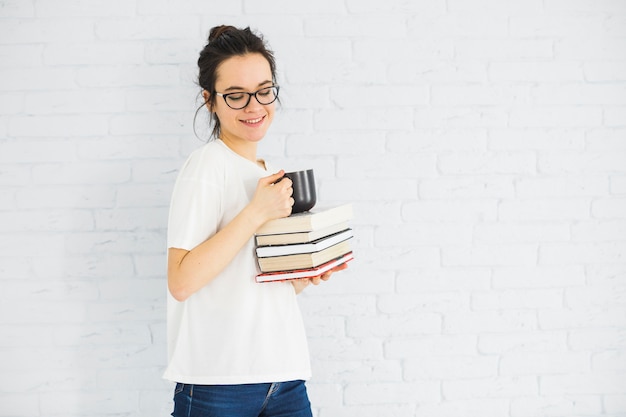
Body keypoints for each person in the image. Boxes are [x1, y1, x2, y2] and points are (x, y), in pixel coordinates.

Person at [164, 25, 347, 417]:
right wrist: (255, 212)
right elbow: (181, 281)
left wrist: (299, 278)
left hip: (284, 375)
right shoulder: (207, 166)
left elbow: (247, 283)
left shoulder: (269, 172)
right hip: (218, 383)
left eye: (264, 91)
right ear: (209, 100)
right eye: (236, 95)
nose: (254, 106)